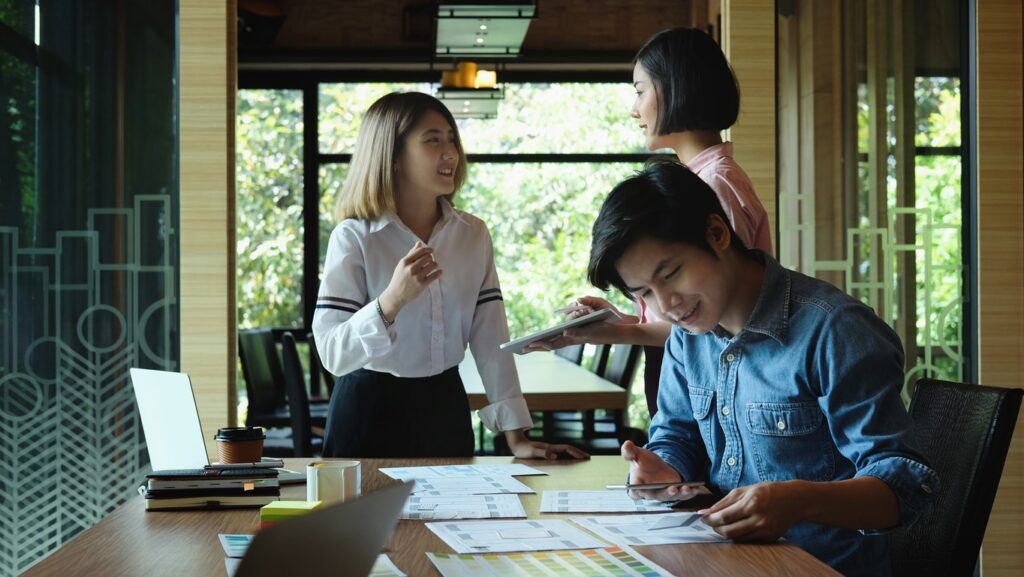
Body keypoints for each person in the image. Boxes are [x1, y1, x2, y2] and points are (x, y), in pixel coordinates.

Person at [587, 161, 937, 577]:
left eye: (671, 274)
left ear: (716, 234)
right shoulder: (689, 335)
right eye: (644, 293)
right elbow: (677, 433)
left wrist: (797, 501)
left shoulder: (834, 330)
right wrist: (664, 467)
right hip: (721, 562)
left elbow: (902, 488)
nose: (667, 305)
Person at [312, 92, 587, 460]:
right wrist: (391, 301)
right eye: (433, 140)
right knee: (364, 521)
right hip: (366, 416)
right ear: (392, 156)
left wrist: (516, 436)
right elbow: (332, 354)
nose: (451, 153)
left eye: (452, 139)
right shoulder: (354, 237)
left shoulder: (473, 234)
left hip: (445, 409)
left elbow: (490, 337)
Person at [527, 28, 773, 417]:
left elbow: (716, 326)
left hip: (713, 385)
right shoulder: (697, 179)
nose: (634, 109)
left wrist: (625, 330)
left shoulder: (713, 184)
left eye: (640, 91)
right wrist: (622, 321)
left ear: (676, 88)